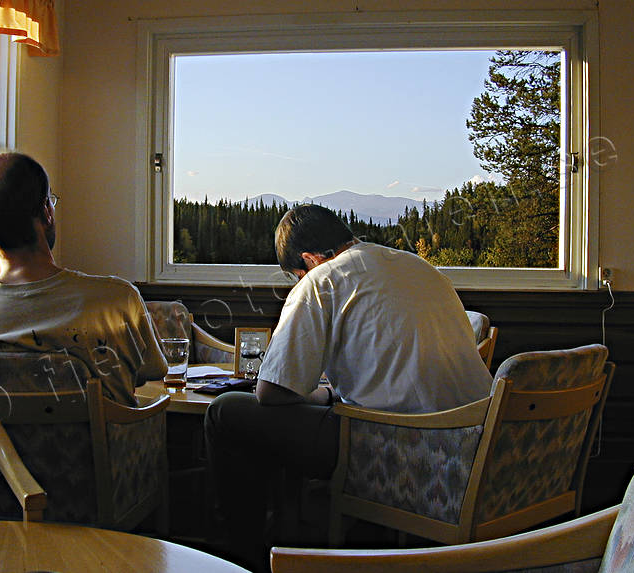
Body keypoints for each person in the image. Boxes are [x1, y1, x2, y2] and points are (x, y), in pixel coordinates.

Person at [204, 204, 493, 571]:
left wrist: (304, 391)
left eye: (296, 275)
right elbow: (393, 373)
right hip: (472, 444)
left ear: (309, 260)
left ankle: (244, 559)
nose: (299, 282)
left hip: (395, 446)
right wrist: (322, 393)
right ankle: (295, 533)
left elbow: (271, 392)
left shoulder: (322, 279)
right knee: (307, 412)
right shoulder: (418, 266)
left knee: (226, 412)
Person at [0, 151, 168, 406]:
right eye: (50, 201)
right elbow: (154, 370)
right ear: (46, 212)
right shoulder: (118, 299)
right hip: (106, 445)